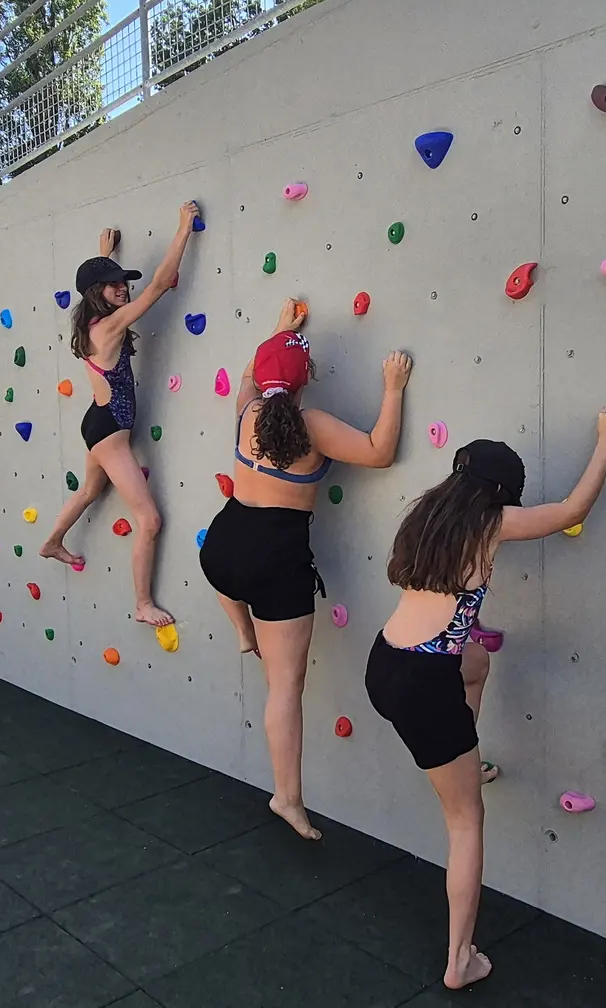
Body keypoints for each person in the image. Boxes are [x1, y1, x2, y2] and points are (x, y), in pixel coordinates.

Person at [364, 407, 606, 990]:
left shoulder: (428, 517)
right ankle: (460, 960)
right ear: (501, 495)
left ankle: (466, 759)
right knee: (466, 822)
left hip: (385, 662)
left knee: (477, 663)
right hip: (423, 685)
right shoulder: (489, 522)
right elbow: (571, 511)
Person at [200, 299, 412, 840]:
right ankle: (287, 798)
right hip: (276, 563)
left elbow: (249, 375)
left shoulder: (247, 410)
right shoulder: (311, 425)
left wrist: (279, 333)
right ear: (307, 379)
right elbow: (379, 452)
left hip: (222, 548)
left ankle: (242, 629)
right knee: (284, 687)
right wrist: (392, 387)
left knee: (229, 577)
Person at [40, 201, 199, 627]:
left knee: (89, 492)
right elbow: (160, 284)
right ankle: (143, 604)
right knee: (149, 519)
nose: (123, 288)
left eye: (122, 282)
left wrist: (104, 255)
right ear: (98, 292)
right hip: (110, 431)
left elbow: (102, 285)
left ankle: (53, 541)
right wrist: (184, 227)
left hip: (99, 423)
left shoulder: (93, 322)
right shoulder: (108, 327)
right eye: (113, 285)